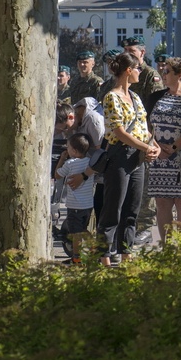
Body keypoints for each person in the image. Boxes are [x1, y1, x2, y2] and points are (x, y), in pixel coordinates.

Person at [98, 52, 159, 266]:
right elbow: (119, 131)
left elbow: (143, 126)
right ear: (128, 70)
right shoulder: (111, 96)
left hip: (137, 157)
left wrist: (154, 145)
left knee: (132, 208)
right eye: (137, 69)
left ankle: (126, 253)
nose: (140, 72)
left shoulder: (135, 97)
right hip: (119, 155)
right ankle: (104, 255)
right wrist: (145, 146)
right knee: (113, 207)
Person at [145, 57, 181, 243]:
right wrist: (157, 147)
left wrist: (173, 148)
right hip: (160, 159)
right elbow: (148, 127)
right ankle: (166, 249)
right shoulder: (156, 97)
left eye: (167, 72)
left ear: (179, 75)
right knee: (162, 202)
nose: (163, 74)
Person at [121, 35, 164, 245]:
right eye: (126, 51)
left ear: (142, 53)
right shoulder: (127, 74)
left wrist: (149, 140)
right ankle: (132, 225)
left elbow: (155, 109)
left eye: (132, 51)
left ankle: (146, 227)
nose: (128, 54)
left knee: (146, 186)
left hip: (145, 136)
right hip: (129, 137)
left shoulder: (149, 76)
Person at [55, 132, 93, 262]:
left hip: (74, 205)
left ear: (75, 151)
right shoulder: (89, 162)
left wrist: (61, 159)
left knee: (75, 234)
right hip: (87, 205)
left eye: (68, 147)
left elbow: (58, 175)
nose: (67, 149)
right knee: (82, 229)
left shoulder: (70, 163)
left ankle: (77, 258)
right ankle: (95, 247)